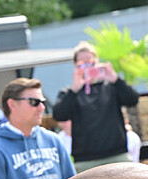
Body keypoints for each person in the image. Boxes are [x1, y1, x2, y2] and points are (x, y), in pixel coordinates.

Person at [52, 42, 140, 172]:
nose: (86, 67)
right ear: (75, 66)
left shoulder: (110, 87)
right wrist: (75, 89)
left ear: (97, 62)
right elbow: (59, 115)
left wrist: (115, 79)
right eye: (82, 64)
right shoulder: (70, 93)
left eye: (90, 62)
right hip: (86, 160)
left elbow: (132, 100)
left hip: (117, 155)